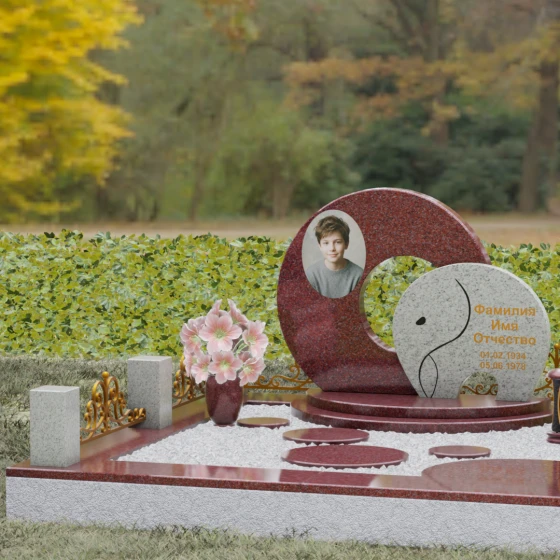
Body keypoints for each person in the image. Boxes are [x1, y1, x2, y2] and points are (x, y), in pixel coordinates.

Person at [305, 215, 363, 298]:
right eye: (326, 243)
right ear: (320, 246)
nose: (332, 248)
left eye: (338, 242)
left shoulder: (358, 275)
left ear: (346, 244)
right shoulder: (311, 275)